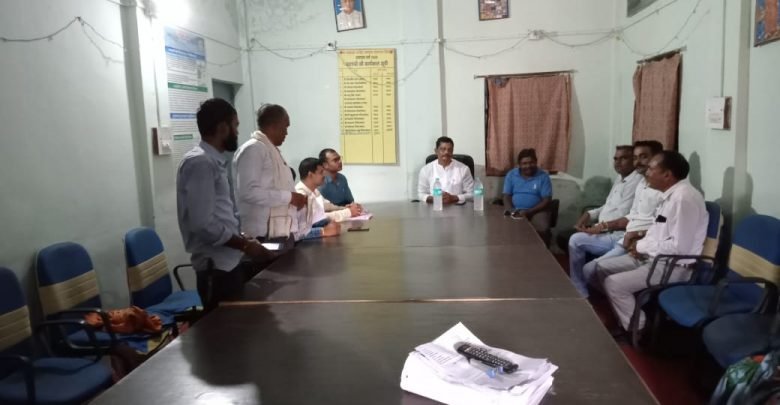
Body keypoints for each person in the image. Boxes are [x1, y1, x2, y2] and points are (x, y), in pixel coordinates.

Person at [595, 150, 708, 335]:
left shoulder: (683, 199)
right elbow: (658, 231)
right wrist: (640, 246)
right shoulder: (669, 195)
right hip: (654, 258)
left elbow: (679, 247)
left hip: (674, 266)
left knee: (614, 284)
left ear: (667, 175)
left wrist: (641, 246)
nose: (646, 173)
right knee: (601, 267)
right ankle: (630, 314)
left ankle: (638, 330)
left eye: (650, 169)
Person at [176, 98, 273, 312]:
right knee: (224, 330)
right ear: (222, 128)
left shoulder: (213, 161)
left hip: (228, 263)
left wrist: (242, 238)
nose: (237, 132)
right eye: (235, 126)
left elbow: (220, 214)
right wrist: (245, 246)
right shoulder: (200, 163)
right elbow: (204, 225)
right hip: (216, 269)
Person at [577, 140, 664, 293]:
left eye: (643, 157)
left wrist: (636, 236)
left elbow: (660, 225)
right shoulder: (642, 184)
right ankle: (596, 291)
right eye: (636, 157)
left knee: (592, 270)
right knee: (586, 261)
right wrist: (597, 221)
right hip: (627, 239)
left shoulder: (665, 191)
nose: (638, 162)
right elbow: (632, 215)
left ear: (657, 159)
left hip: (638, 243)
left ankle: (609, 294)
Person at [567, 145, 641, 297]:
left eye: (623, 158)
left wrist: (599, 227)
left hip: (622, 236)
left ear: (633, 160)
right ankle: (578, 286)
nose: (618, 162)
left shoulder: (638, 181)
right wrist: (588, 214)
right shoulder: (620, 178)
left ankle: (608, 292)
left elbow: (622, 214)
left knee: (590, 269)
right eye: (615, 158)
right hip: (607, 233)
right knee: (575, 239)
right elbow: (607, 207)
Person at [234, 104, 307, 242]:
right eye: (285, 127)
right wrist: (289, 197)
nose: (286, 133)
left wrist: (295, 200)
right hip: (262, 234)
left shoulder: (270, 150)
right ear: (273, 126)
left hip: (280, 230)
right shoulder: (254, 149)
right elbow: (248, 192)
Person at [294, 158, 357, 238]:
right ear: (310, 175)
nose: (325, 175)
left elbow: (327, 205)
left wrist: (345, 208)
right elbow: (318, 220)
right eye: (321, 172)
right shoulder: (300, 194)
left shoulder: (314, 190)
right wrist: (348, 212)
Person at [502, 148, 553, 242]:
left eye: (531, 162)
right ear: (519, 164)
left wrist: (529, 211)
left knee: (541, 230)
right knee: (506, 229)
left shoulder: (543, 176)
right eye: (524, 163)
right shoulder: (511, 175)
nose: (528, 166)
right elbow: (506, 196)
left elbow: (547, 200)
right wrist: (511, 211)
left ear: (536, 162)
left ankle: (539, 251)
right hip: (515, 210)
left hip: (537, 211)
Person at [417, 136, 474, 205]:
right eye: (443, 149)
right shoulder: (426, 170)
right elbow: (421, 194)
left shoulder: (463, 169)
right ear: (436, 151)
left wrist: (454, 198)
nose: (446, 152)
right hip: (434, 208)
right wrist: (435, 199)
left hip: (458, 208)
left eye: (450, 150)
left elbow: (472, 194)